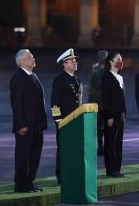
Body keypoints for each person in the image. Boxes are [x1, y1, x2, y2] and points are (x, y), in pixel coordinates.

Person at [10, 49, 47, 193]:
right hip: (25, 126)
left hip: (37, 125)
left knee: (34, 155)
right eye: (30, 57)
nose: (33, 58)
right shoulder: (18, 78)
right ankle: (20, 184)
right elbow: (17, 104)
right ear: (22, 62)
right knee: (23, 155)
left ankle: (29, 181)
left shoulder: (33, 76)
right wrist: (22, 124)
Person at [51, 48, 82, 184]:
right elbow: (55, 102)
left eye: (75, 61)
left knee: (74, 149)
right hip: (65, 120)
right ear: (64, 64)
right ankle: (62, 176)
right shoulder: (60, 80)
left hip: (76, 120)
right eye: (72, 61)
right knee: (64, 150)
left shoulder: (76, 79)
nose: (75, 63)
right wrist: (58, 120)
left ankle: (72, 173)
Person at [101, 52, 126, 178]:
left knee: (119, 142)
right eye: (118, 59)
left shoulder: (119, 77)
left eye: (121, 59)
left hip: (120, 114)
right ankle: (110, 169)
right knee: (110, 142)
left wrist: (124, 114)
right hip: (112, 115)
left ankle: (117, 168)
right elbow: (106, 99)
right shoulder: (107, 77)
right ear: (111, 62)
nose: (120, 61)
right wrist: (109, 116)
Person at [88, 50, 108, 155]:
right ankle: (100, 146)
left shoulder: (106, 70)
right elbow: (92, 87)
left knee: (103, 126)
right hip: (98, 102)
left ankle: (103, 146)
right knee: (99, 126)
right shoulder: (95, 69)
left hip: (104, 102)